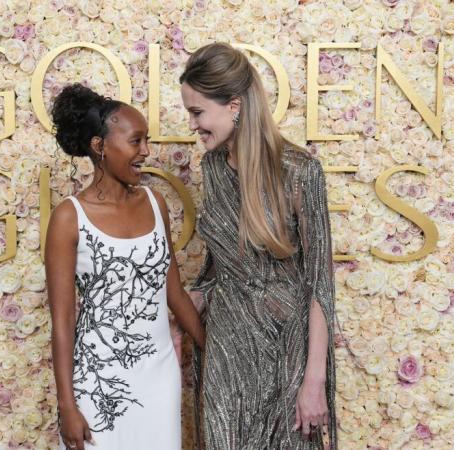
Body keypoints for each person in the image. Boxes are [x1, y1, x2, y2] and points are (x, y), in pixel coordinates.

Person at [180, 43, 338, 449]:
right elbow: (223, 263)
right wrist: (185, 306)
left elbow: (320, 284)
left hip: (286, 351)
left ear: (234, 105)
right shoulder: (212, 168)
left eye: (197, 112)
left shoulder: (300, 171)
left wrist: (313, 380)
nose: (193, 125)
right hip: (227, 352)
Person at [44, 83, 205, 450]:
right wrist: (67, 404)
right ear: (100, 147)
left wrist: (213, 349)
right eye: (135, 141)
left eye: (146, 140)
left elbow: (174, 292)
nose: (145, 151)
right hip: (97, 384)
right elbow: (63, 319)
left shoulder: (155, 203)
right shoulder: (70, 218)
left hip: (159, 380)